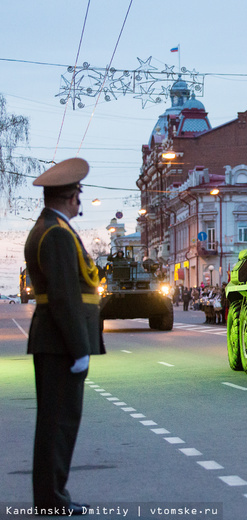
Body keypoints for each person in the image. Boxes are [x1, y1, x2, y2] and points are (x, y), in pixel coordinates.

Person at [24, 158, 105, 515]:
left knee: (56, 424)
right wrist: (79, 347)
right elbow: (63, 295)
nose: (79, 202)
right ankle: (51, 502)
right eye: (78, 195)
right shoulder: (56, 233)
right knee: (58, 425)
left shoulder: (52, 227)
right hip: (60, 344)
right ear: (72, 195)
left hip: (56, 343)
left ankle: (53, 497)